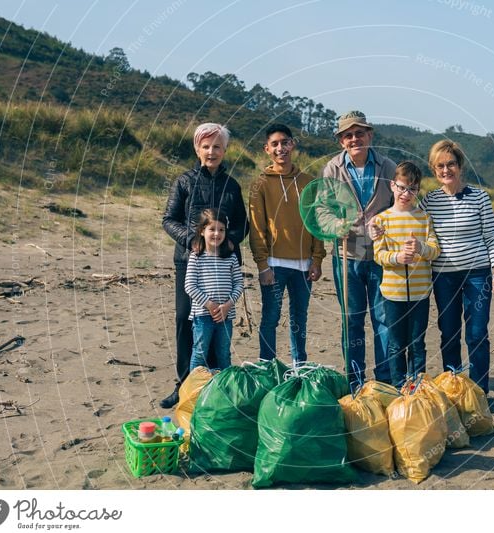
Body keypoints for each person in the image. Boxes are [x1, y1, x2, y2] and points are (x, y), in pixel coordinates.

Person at [161, 123, 249, 408]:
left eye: (217, 147)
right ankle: (185, 384)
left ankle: (215, 383)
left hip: (224, 266)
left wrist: (230, 242)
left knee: (219, 322)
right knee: (186, 320)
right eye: (206, 146)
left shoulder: (232, 185)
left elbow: (242, 224)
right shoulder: (184, 181)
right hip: (190, 261)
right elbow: (169, 219)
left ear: (225, 150)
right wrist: (194, 240)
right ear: (197, 149)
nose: (212, 151)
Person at [420, 140, 494, 394]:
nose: (446, 170)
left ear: (460, 166)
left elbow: (491, 237)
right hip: (443, 277)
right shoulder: (430, 201)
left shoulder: (480, 197)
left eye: (451, 164)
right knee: (449, 332)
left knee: (477, 334)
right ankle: (453, 389)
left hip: (477, 276)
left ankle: (479, 392)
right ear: (434, 171)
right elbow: (413, 224)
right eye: (440, 167)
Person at [320, 110, 396, 388]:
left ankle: (385, 380)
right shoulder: (332, 169)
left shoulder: (387, 167)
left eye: (359, 133)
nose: (355, 139)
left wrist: (385, 221)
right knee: (351, 321)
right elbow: (322, 211)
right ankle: (355, 380)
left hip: (380, 256)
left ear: (370, 135)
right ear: (341, 140)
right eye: (348, 135)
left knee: (383, 319)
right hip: (346, 256)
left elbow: (402, 205)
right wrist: (337, 223)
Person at [248, 124, 325, 366]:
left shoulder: (308, 182)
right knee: (270, 317)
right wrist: (262, 264)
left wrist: (317, 258)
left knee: (299, 318)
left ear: (292, 145)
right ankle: (266, 366)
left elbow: (316, 222)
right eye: (275, 144)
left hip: (304, 265)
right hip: (274, 264)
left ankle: (299, 366)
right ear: (267, 149)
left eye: (285, 142)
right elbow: (257, 228)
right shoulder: (260, 184)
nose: (281, 148)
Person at [372, 162, 439, 388]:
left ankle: (417, 388)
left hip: (420, 293)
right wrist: (397, 258)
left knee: (417, 343)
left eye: (412, 189)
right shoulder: (382, 220)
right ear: (392, 185)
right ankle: (398, 387)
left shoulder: (424, 218)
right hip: (393, 294)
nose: (406, 194)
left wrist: (420, 247)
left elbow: (435, 250)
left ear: (417, 191)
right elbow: (379, 255)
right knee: (396, 344)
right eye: (401, 187)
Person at [185, 208, 244, 372]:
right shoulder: (196, 257)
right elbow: (190, 285)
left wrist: (228, 305)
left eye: (221, 230)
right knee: (199, 354)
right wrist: (210, 305)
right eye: (212, 229)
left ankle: (225, 392)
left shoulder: (230, 256)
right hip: (203, 316)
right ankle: (195, 393)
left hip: (226, 316)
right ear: (202, 231)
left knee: (224, 354)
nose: (217, 234)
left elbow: (239, 283)